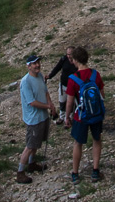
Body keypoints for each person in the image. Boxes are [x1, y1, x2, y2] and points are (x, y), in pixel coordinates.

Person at [65, 46, 105, 185]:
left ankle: (75, 173)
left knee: (78, 143)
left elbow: (70, 102)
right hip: (96, 113)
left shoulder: (73, 79)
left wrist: (67, 117)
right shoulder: (95, 74)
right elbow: (102, 95)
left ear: (75, 60)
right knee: (96, 140)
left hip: (80, 116)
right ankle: (95, 170)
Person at [17, 55, 57, 184]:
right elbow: (32, 102)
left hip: (42, 116)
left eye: (38, 62)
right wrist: (48, 106)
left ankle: (32, 163)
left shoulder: (40, 76)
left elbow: (45, 92)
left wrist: (50, 105)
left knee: (37, 143)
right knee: (30, 145)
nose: (37, 65)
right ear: (28, 66)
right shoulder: (26, 82)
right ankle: (20, 172)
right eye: (34, 64)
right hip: (33, 118)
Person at [44, 46, 76, 125]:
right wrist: (50, 76)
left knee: (71, 102)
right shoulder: (63, 59)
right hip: (63, 84)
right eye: (67, 54)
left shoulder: (76, 61)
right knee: (62, 101)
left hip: (73, 86)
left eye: (70, 54)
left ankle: (69, 118)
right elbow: (57, 68)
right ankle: (62, 117)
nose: (69, 56)